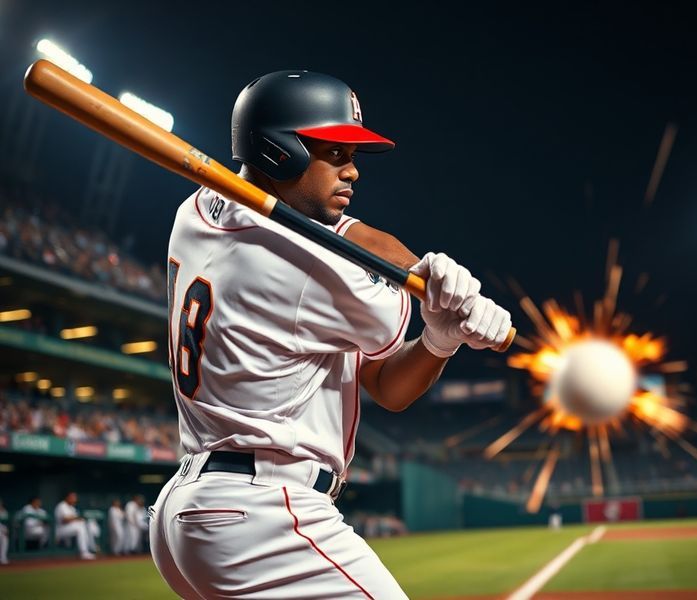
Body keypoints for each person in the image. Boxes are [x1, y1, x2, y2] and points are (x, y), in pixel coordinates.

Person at [149, 70, 512, 599]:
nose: (353, 172)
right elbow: (349, 255)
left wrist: (439, 340)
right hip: (262, 512)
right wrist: (431, 284)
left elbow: (387, 386)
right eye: (335, 154)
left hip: (191, 514)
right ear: (279, 152)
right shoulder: (310, 271)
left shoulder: (197, 211)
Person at [54, 491, 97, 559]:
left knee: (86, 525)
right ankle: (84, 552)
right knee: (79, 528)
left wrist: (80, 519)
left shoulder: (72, 508)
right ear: (67, 497)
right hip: (60, 530)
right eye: (73, 497)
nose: (75, 499)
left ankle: (91, 548)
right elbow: (64, 520)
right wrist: (77, 518)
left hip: (69, 528)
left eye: (75, 497)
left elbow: (76, 519)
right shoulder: (62, 505)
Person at [0, 499, 9, 564]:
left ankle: (3, 558)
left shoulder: (4, 511)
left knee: (4, 538)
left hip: (1, 530)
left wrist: (5, 529)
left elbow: (5, 523)